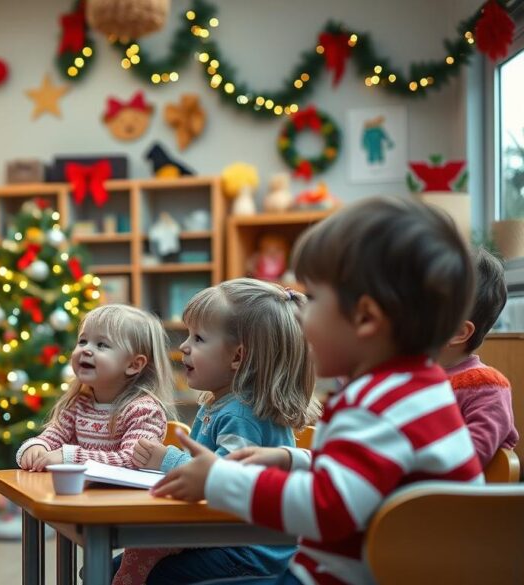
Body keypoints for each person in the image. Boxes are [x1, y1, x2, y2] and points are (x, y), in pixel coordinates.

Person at [150, 197, 483, 585]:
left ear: (365, 318)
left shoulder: (377, 405)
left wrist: (220, 480)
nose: (302, 315)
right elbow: (367, 473)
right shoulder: (414, 391)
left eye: (314, 299)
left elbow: (328, 505)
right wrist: (291, 459)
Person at [117, 279, 320, 584]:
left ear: (238, 357)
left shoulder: (242, 414)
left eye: (198, 338)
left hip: (250, 550)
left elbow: (222, 478)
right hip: (230, 537)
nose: (184, 346)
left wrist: (167, 459)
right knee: (122, 563)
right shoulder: (222, 404)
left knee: (157, 574)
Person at [16, 304, 176, 471]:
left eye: (101, 345)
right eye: (83, 341)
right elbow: (52, 437)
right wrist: (36, 448)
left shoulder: (145, 411)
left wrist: (69, 457)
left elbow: (133, 460)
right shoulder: (79, 404)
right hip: (82, 495)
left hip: (124, 497)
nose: (86, 350)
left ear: (134, 364)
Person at [437, 247, 518, 466]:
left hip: (455, 495)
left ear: (458, 333)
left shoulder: (486, 386)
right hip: (414, 491)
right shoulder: (411, 375)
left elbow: (474, 453)